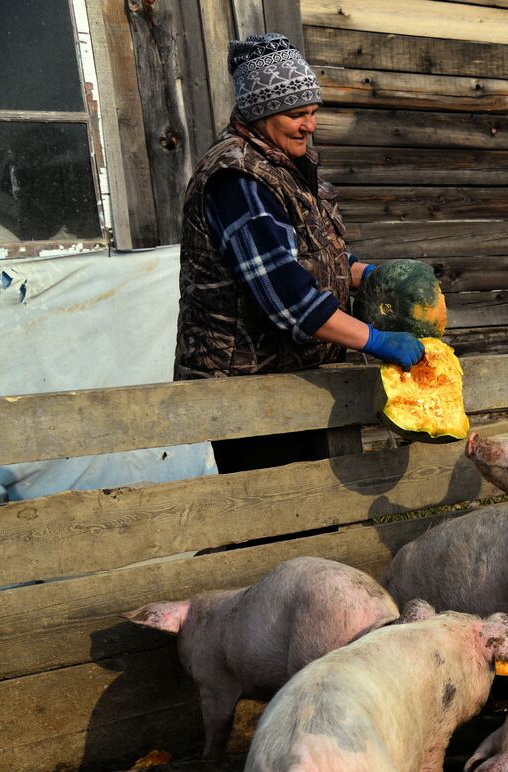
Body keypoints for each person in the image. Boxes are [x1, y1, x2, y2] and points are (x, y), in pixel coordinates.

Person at [175, 33, 424, 471]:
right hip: (247, 391)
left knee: (319, 517)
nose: (309, 125)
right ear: (259, 112)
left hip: (295, 379)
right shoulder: (238, 180)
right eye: (296, 115)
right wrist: (378, 340)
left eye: (312, 112)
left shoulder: (284, 165)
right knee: (272, 523)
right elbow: (290, 299)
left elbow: (311, 256)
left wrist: (371, 275)